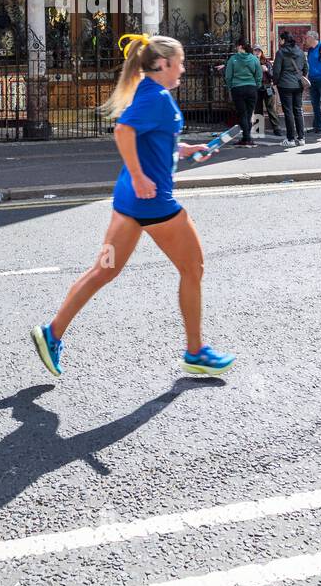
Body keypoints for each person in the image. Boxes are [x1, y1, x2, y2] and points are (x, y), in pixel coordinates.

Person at [31, 33, 235, 378]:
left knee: (104, 270)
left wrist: (181, 150)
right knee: (193, 268)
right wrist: (141, 177)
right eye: (180, 62)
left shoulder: (148, 92)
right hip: (154, 204)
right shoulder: (155, 96)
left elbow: (148, 136)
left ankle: (51, 333)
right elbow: (123, 131)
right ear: (163, 64)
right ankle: (196, 351)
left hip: (129, 203)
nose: (183, 69)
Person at [271, 29, 308, 147]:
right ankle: (301, 138)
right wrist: (301, 78)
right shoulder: (300, 52)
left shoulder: (280, 53)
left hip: (285, 85)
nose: (279, 42)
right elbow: (306, 68)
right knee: (298, 110)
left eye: (280, 39)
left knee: (288, 112)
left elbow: (276, 71)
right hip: (298, 84)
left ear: (283, 40)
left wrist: (275, 82)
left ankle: (291, 139)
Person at [222, 40, 262, 146]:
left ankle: (246, 138)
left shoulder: (233, 59)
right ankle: (247, 138)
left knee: (242, 114)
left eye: (237, 46)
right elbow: (259, 74)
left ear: (240, 47)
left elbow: (228, 75)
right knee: (249, 114)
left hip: (238, 88)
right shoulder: (254, 59)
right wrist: (256, 85)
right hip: (252, 88)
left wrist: (231, 86)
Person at [253, 46, 283, 136]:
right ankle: (259, 129)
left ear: (262, 52)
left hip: (267, 87)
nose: (257, 53)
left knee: (271, 108)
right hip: (257, 87)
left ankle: (277, 128)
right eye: (255, 51)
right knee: (258, 109)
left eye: (259, 51)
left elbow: (273, 76)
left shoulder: (267, 62)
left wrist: (266, 70)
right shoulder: (251, 62)